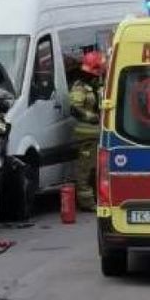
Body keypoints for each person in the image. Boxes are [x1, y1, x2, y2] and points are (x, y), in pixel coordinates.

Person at [68, 50, 106, 210]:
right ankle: (87, 202)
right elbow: (74, 108)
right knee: (84, 170)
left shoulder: (97, 85)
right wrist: (90, 116)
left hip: (100, 135)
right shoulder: (80, 87)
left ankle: (99, 199)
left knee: (98, 170)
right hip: (85, 136)